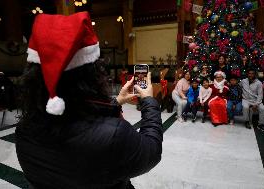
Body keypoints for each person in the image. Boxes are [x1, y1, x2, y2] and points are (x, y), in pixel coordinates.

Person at [15, 12, 163, 189]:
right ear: (91, 76)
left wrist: (116, 101)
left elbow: (77, 118)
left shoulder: (24, 132)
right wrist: (148, 100)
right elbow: (151, 151)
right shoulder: (114, 136)